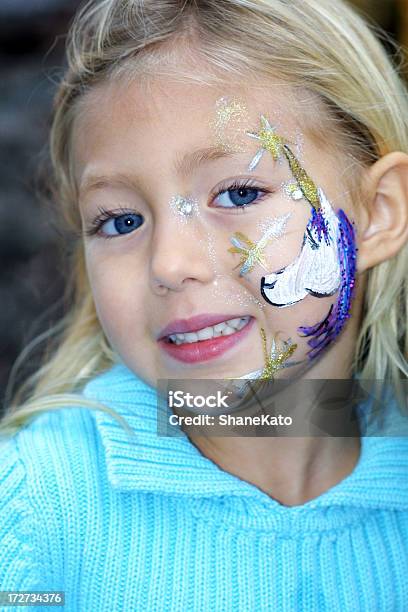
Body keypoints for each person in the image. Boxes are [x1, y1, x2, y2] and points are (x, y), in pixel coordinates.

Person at [1, 0, 408, 609]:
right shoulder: (31, 507)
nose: (169, 263)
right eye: (119, 221)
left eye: (239, 192)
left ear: (379, 213)